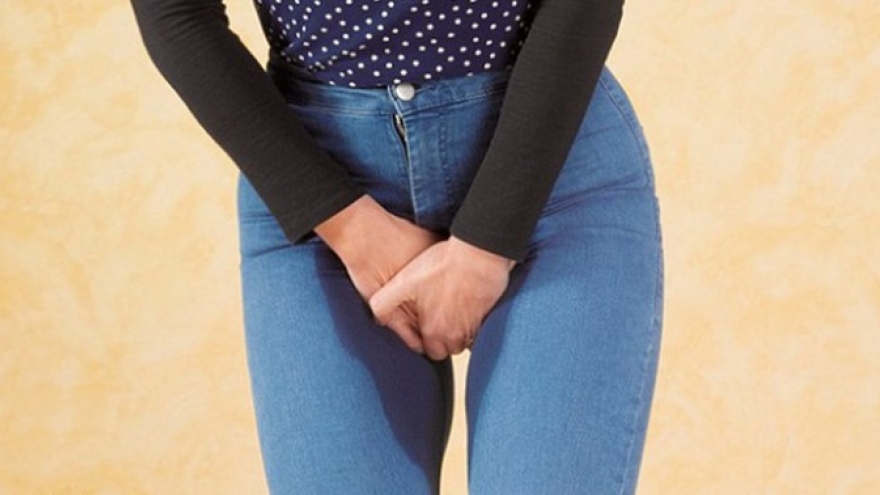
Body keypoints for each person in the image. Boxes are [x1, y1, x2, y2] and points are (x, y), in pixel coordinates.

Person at [131, 0, 664, 493]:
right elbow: (175, 12)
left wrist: (486, 245)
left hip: (549, 168)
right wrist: (352, 230)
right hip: (316, 187)